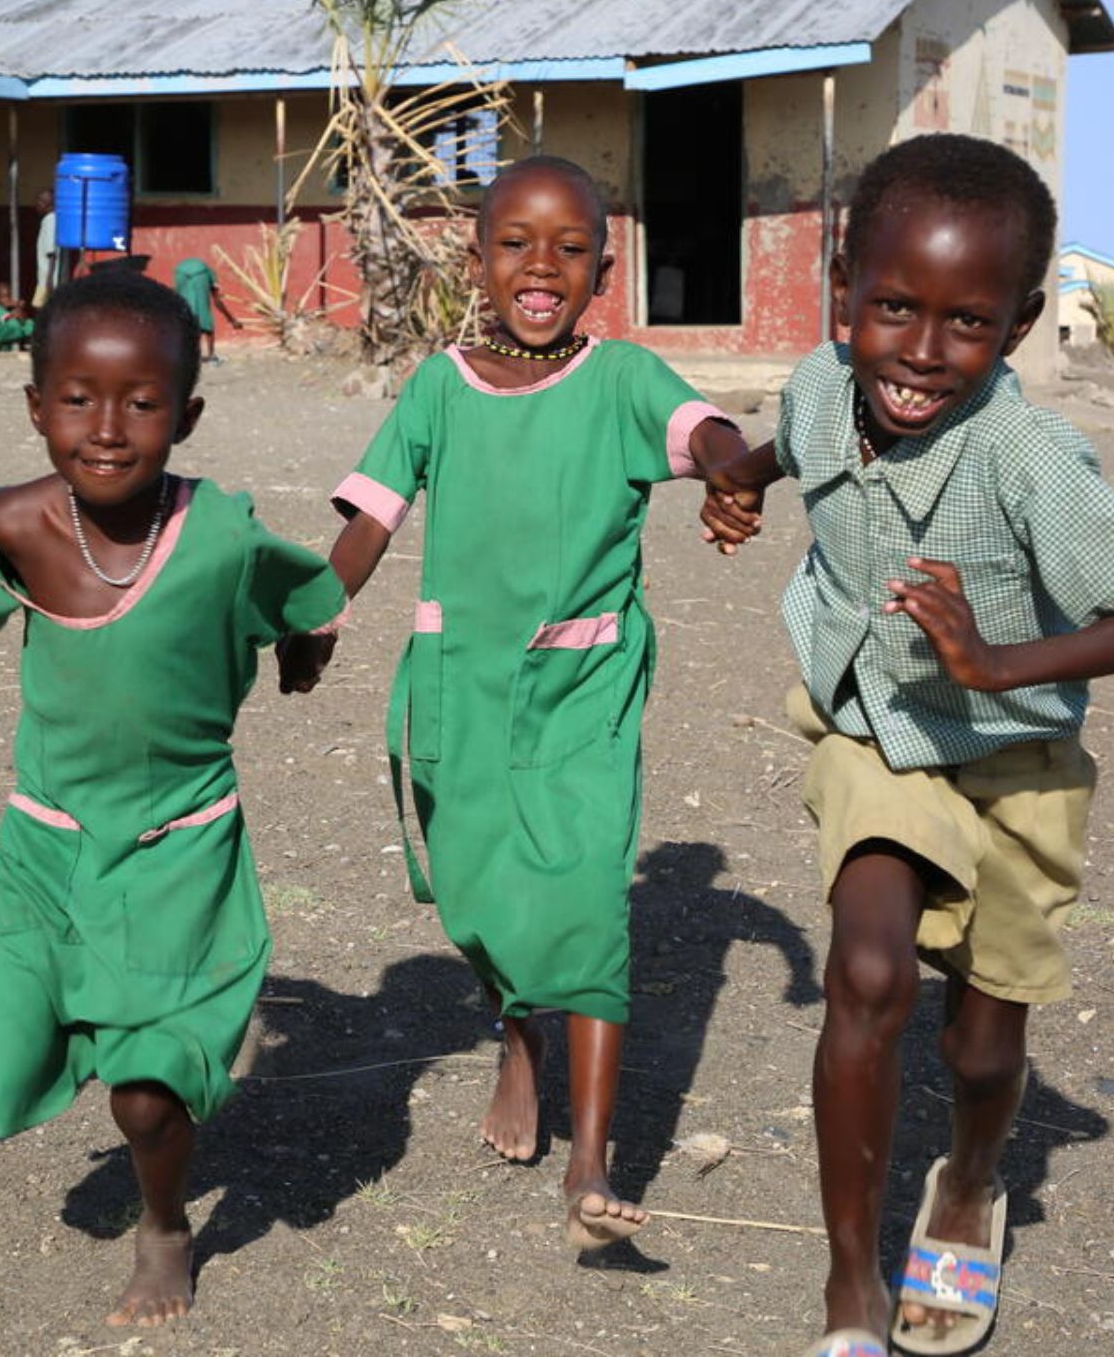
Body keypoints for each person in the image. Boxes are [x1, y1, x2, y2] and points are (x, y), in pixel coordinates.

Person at [699, 134, 1114, 1357]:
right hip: (875, 730)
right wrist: (740, 480)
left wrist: (995, 665)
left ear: (1019, 326)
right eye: (892, 310)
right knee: (865, 972)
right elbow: (791, 443)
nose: (920, 354)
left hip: (1012, 764)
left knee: (981, 1047)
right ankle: (846, 1296)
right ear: (843, 292)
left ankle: (971, 1179)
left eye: (966, 324)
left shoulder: (1030, 462)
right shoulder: (826, 384)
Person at [277, 156, 758, 1252]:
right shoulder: (439, 385)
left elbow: (703, 433)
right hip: (461, 689)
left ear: (603, 264)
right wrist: (315, 620)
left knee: (586, 900)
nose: (540, 268)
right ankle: (518, 1036)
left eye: (569, 248)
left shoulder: (624, 378)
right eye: (514, 243)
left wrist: (737, 473)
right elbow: (370, 520)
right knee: (484, 897)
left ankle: (591, 1161)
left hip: (582, 688)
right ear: (476, 256)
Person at [0, 272, 344, 1326]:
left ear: (185, 415)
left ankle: (164, 1223)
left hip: (177, 850)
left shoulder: (222, 537)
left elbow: (301, 604)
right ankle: (85, 1022)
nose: (105, 429)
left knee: (147, 1087)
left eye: (142, 404)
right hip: (48, 851)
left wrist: (296, 653)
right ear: (33, 405)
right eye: (75, 399)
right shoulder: (10, 521)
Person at [170, 255, 219, 363]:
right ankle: (211, 355)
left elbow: (176, 292)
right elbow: (217, 301)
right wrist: (231, 319)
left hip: (181, 273)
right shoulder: (209, 273)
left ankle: (189, 355)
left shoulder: (179, 273)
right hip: (198, 278)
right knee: (206, 323)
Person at [0, 279, 34, 350]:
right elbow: (9, 323)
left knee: (29, 324)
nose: (8, 299)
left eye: (10, 296)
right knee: (15, 324)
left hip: (7, 345)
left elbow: (27, 325)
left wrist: (21, 312)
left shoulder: (10, 309)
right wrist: (15, 315)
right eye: (5, 296)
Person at [31, 188, 59, 309]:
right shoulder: (51, 219)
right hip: (46, 279)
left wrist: (49, 281)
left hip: (47, 280)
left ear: (49, 205)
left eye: (41, 201)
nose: (37, 204)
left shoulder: (49, 220)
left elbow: (51, 253)